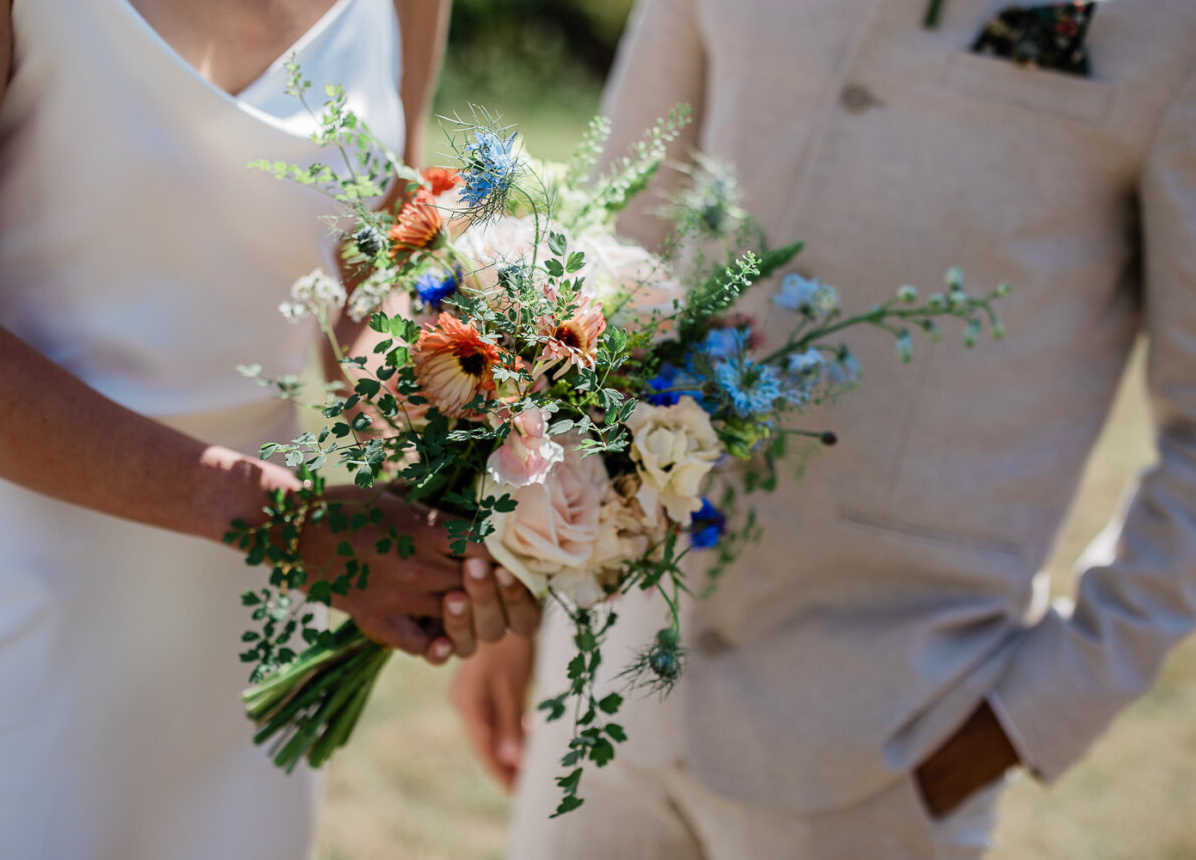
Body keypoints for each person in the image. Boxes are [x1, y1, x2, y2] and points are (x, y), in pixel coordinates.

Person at [452, 0, 1196, 856]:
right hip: (605, 677)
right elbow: (617, 236)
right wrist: (516, 575)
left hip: (887, 737)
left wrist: (1031, 716)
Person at [0, 1, 538, 858]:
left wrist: (492, 444)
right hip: (17, 618)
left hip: (246, 643)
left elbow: (368, 275)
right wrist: (286, 523)